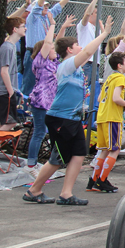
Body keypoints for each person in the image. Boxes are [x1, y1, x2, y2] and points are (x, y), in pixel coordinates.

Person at [22, 17, 113, 205]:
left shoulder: (77, 68)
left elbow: (87, 52)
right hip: (60, 118)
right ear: (69, 50)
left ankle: (66, 193)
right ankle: (34, 190)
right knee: (57, 158)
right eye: (77, 45)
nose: (80, 47)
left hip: (72, 119)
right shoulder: (67, 66)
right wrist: (104, 34)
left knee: (79, 153)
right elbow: (88, 50)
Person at [27, 13, 76, 172]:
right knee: (39, 132)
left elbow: (56, 43)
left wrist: (62, 27)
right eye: (51, 49)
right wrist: (53, 23)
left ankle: (53, 162)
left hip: (52, 103)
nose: (55, 50)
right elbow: (49, 42)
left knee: (55, 133)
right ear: (44, 50)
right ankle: (31, 164)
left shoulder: (54, 62)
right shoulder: (40, 62)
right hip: (40, 102)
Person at [22, 0, 77, 98]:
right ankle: (24, 109)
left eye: (47, 6)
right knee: (29, 84)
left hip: (46, 55)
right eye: (44, 6)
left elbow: (59, 6)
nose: (46, 7)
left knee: (42, 84)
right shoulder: (33, 18)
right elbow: (39, 5)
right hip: (34, 53)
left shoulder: (47, 17)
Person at [88, 51, 125, 193]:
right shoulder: (120, 78)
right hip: (112, 118)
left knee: (105, 150)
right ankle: (102, 180)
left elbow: (100, 98)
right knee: (115, 149)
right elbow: (115, 98)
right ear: (120, 65)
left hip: (102, 117)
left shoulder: (109, 78)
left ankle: (93, 180)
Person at [0, 17, 25, 130]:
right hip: (5, 92)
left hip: (7, 91)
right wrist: (11, 91)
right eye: (22, 26)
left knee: (1, 123)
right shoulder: (7, 48)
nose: (25, 28)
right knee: (11, 122)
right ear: (15, 29)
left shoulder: (12, 46)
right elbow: (4, 72)